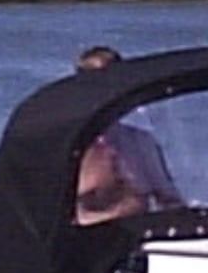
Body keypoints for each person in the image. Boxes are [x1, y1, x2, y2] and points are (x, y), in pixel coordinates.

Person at [72, 43, 183, 222]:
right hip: (87, 243)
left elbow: (170, 200)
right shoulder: (70, 148)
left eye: (114, 84)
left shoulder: (140, 141)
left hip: (141, 241)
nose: (107, 93)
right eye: (97, 84)